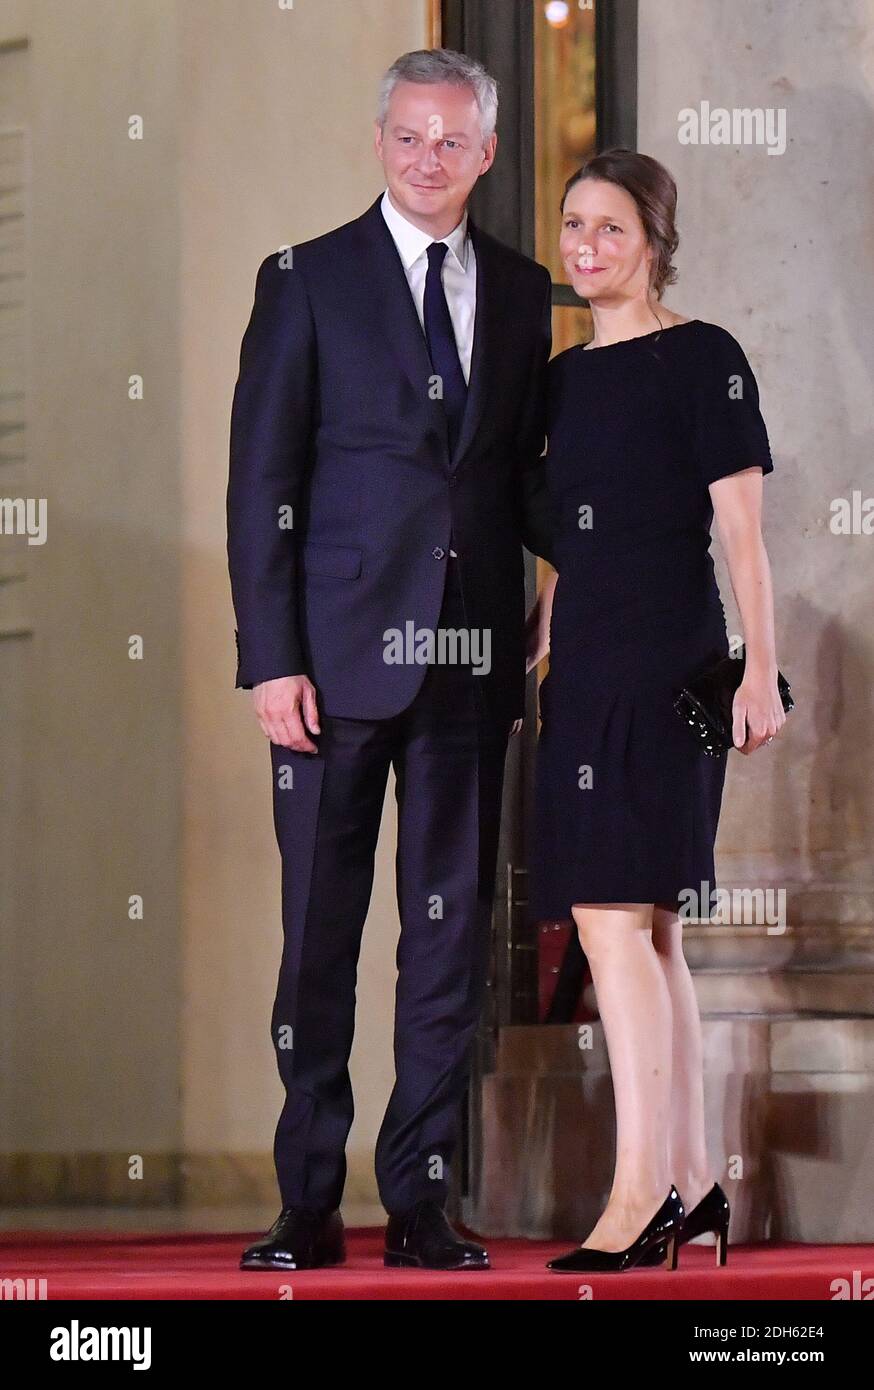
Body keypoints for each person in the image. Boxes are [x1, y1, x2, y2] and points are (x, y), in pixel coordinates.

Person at [227, 48, 556, 1272]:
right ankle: (306, 1200)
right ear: (382, 144)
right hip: (329, 668)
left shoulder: (521, 296)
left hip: (467, 667)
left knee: (447, 937)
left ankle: (420, 1198)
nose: (429, 158)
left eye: (452, 140)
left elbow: (527, 478)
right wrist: (272, 661)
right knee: (316, 938)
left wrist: (586, 582)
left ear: (483, 153)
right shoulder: (305, 280)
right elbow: (261, 480)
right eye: (409, 136)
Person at [525, 148, 785, 1273]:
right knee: (649, 929)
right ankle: (690, 1178)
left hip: (666, 658)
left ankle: (638, 1194)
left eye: (610, 228)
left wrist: (760, 671)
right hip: (582, 660)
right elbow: (571, 535)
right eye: (573, 225)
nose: (586, 246)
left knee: (612, 919)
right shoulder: (562, 380)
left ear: (654, 241)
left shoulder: (704, 358)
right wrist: (543, 628)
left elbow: (742, 536)